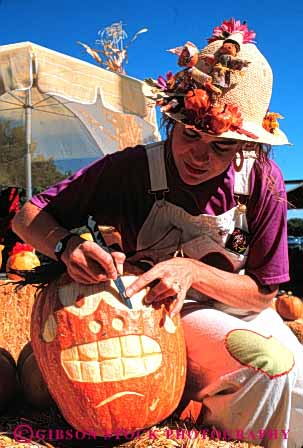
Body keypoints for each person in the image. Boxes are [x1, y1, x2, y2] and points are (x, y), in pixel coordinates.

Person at [12, 18, 303, 448]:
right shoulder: (129, 169)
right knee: (268, 366)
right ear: (174, 121)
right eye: (190, 135)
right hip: (160, 312)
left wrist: (190, 271)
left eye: (221, 146)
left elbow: (264, 293)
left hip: (243, 307)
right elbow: (26, 217)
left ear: (246, 146)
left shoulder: (262, 180)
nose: (200, 157)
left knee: (297, 384)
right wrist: (65, 244)